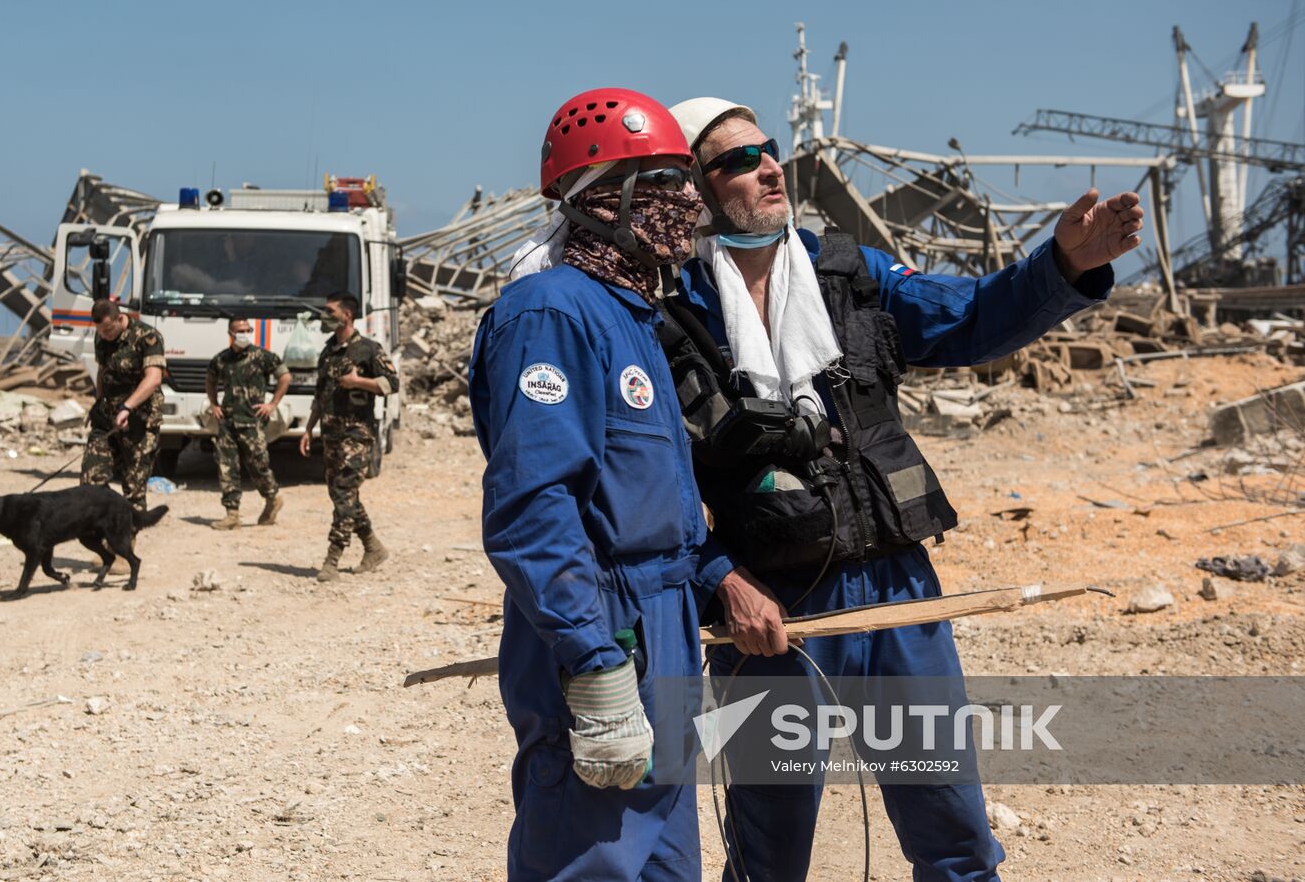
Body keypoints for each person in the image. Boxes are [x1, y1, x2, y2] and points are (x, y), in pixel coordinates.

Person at [665, 97, 1144, 882]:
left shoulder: (849, 276)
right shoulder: (673, 317)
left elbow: (969, 319)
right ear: (697, 188)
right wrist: (721, 579)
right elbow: (654, 484)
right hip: (774, 616)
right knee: (768, 856)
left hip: (898, 593)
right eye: (739, 160)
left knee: (955, 838)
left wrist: (1062, 267)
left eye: (770, 150)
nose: (770, 167)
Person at [470, 88, 735, 882]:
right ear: (600, 201)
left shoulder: (633, 316)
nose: (690, 199)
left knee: (664, 863)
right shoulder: (551, 313)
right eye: (662, 181)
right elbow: (533, 508)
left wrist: (717, 579)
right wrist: (593, 660)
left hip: (665, 626)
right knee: (591, 860)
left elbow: (656, 505)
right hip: (610, 633)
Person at [299, 291, 396, 581]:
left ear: (347, 315)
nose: (324, 316)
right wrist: (307, 429)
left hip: (357, 433)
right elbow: (320, 395)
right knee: (341, 494)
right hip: (331, 433)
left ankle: (332, 559)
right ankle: (373, 547)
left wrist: (358, 382)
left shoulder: (368, 349)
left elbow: (392, 383)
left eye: (330, 311)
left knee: (344, 492)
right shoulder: (328, 351)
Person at [205, 317, 291, 530]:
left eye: (247, 329)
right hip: (227, 421)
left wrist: (272, 403)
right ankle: (232, 514)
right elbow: (210, 380)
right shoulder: (221, 359)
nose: (244, 333)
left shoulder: (262, 356)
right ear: (231, 334)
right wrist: (214, 404)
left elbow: (285, 377)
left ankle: (272, 499)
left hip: (253, 422)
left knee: (258, 466)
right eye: (240, 330)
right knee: (227, 467)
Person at [81, 299, 166, 511]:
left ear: (120, 319)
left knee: (133, 489)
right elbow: (103, 371)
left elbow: (154, 378)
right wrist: (98, 403)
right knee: (90, 482)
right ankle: (105, 525)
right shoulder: (101, 338)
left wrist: (127, 407)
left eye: (109, 330)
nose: (105, 335)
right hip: (107, 420)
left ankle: (127, 538)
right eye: (100, 331)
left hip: (139, 421)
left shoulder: (147, 337)